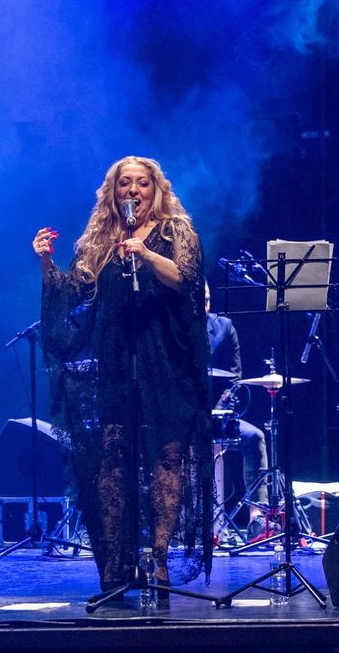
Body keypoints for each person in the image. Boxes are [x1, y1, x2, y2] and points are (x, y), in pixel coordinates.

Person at [35, 155, 212, 592]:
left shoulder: (176, 231)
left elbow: (185, 279)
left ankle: (160, 559)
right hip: (118, 357)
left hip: (167, 358)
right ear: (113, 193)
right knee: (112, 458)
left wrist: (147, 254)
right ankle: (116, 561)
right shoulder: (100, 239)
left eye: (142, 184)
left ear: (156, 190)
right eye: (124, 185)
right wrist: (45, 264)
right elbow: (74, 291)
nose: (133, 191)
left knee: (166, 458)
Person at [205, 284, 269, 517]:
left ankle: (257, 517)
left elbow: (234, 379)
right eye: (200, 300)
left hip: (217, 416)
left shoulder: (223, 327)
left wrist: (219, 412)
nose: (205, 305)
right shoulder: (172, 327)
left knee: (255, 437)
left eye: (208, 300)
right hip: (181, 417)